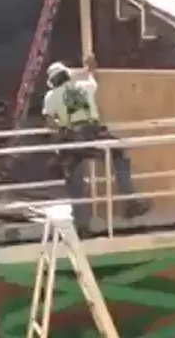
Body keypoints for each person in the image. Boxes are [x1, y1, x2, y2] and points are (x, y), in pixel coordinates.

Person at [42, 55, 148, 232]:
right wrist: (89, 67)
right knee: (120, 154)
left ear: (52, 81)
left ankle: (81, 222)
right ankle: (131, 201)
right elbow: (93, 76)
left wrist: (61, 127)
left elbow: (50, 123)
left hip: (72, 140)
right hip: (94, 134)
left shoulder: (51, 96)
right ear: (67, 75)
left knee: (73, 176)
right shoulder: (85, 86)